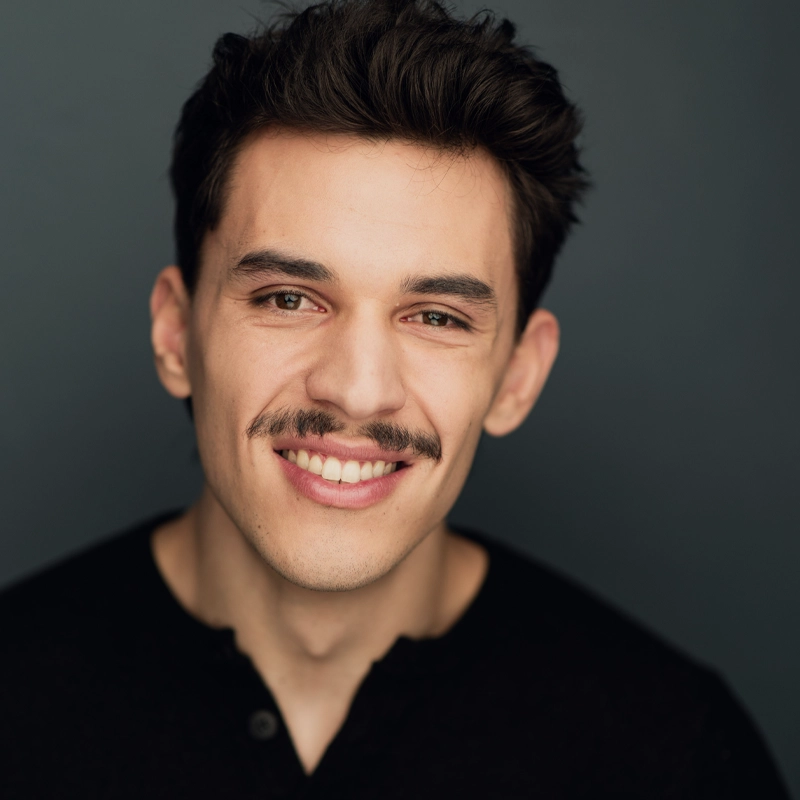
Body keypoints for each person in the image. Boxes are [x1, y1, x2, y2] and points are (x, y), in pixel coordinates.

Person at [0, 1, 789, 797]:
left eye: (437, 317)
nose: (357, 389)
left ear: (518, 375)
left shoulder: (674, 752)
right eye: (287, 298)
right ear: (176, 335)